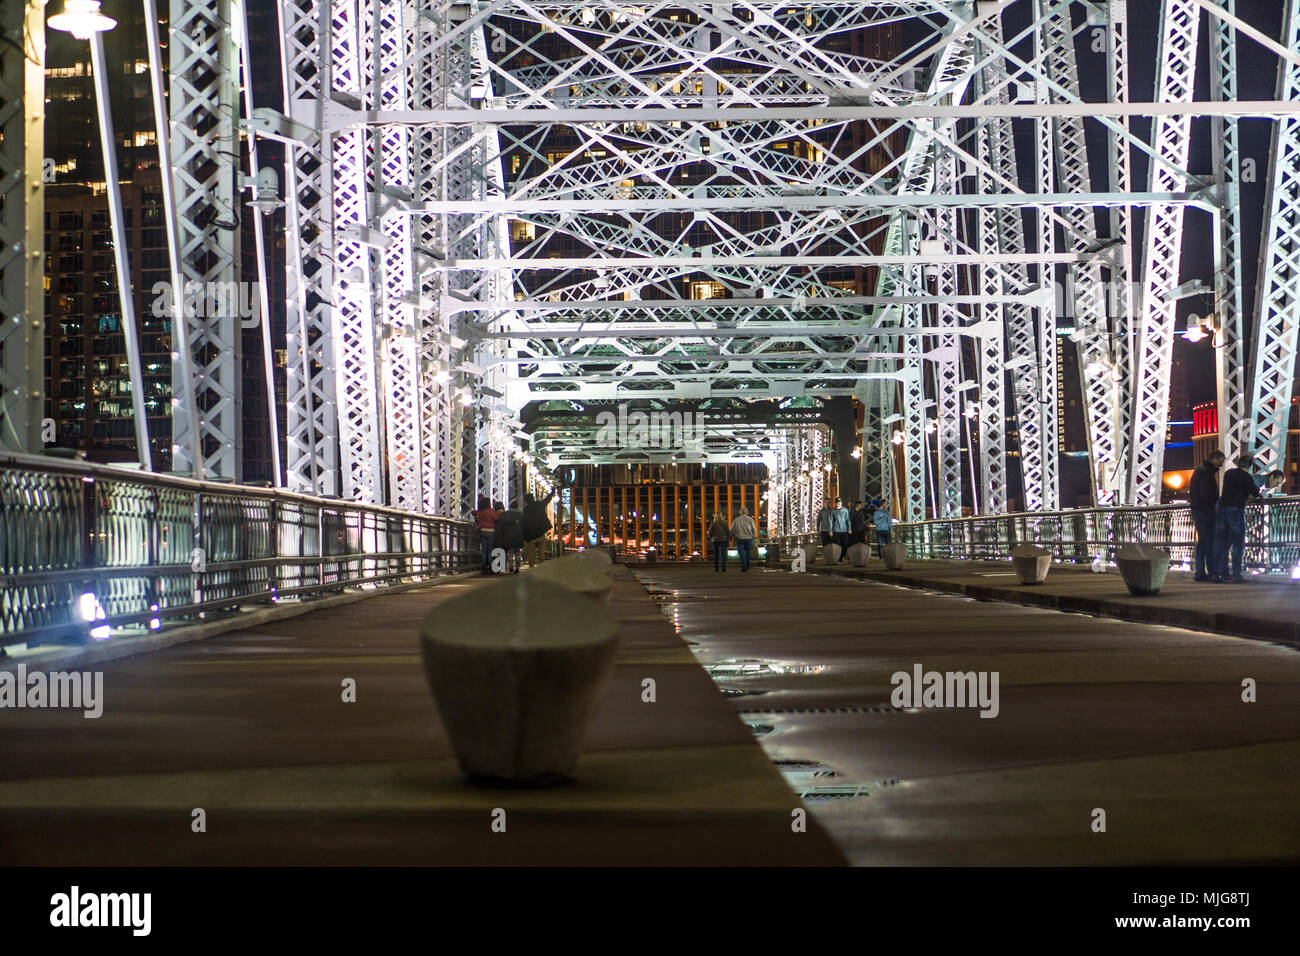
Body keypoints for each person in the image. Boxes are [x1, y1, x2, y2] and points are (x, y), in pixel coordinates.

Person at [1212, 455, 1261, 584]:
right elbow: (1255, 491)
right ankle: (1236, 574)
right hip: (1235, 511)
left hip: (1222, 510)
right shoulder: (1246, 477)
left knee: (1220, 543)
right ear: (1250, 466)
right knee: (1238, 544)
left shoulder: (1229, 473)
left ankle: (1216, 573)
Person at [1188, 450, 1225, 582]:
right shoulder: (1206, 473)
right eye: (1220, 462)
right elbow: (1206, 494)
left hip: (1198, 510)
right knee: (1209, 542)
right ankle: (1212, 573)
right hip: (1205, 512)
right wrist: (1215, 501)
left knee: (1202, 542)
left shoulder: (1200, 471)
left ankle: (1200, 572)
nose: (1220, 466)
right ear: (1214, 459)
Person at [522, 489, 555, 567]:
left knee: (531, 552)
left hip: (531, 534)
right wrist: (552, 493)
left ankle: (531, 566)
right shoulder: (539, 505)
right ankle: (541, 566)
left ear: (526, 501)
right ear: (533, 498)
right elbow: (546, 500)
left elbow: (525, 522)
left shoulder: (525, 509)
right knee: (541, 551)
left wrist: (524, 534)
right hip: (540, 532)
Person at [495, 502, 526, 574]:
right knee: (518, 553)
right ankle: (517, 569)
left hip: (508, 536)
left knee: (510, 553)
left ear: (510, 506)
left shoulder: (505, 514)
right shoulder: (521, 515)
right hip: (518, 536)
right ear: (517, 506)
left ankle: (511, 568)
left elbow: (502, 526)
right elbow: (524, 526)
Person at [471, 496, 500, 574]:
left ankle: (483, 567)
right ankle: (490, 566)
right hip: (491, 531)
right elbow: (496, 518)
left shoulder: (480, 511)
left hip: (482, 531)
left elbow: (473, 512)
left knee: (484, 550)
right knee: (490, 550)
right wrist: (498, 512)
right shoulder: (490, 511)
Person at [730, 506, 757, 572]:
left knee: (742, 553)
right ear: (747, 512)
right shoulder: (750, 519)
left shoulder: (736, 519)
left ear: (740, 512)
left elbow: (732, 529)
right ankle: (747, 566)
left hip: (740, 538)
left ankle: (744, 567)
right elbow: (754, 529)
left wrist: (730, 536)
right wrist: (753, 536)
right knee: (747, 553)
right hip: (748, 538)